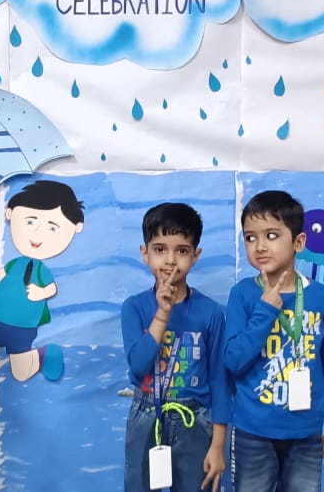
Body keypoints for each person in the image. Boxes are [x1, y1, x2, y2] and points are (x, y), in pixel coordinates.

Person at [223, 190, 324, 492]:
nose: (260, 246)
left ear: (299, 242)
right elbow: (233, 361)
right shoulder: (243, 294)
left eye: (271, 235)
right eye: (250, 238)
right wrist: (266, 310)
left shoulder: (319, 296)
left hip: (306, 431)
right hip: (253, 431)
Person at [121, 203, 230, 492]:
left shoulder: (210, 312)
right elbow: (138, 366)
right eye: (160, 249)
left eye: (181, 250)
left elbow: (220, 380)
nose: (170, 260)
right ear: (145, 253)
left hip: (194, 419)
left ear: (195, 256)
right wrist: (162, 314)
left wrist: (218, 445)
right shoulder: (134, 307)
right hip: (147, 414)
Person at [0, 179, 84, 406]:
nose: (37, 233)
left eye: (52, 227)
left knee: (20, 372)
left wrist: (41, 292)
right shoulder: (15, 264)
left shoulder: (40, 269)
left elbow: (51, 288)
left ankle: (44, 355)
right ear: (10, 214)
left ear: (76, 228)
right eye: (30, 221)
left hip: (22, 328)